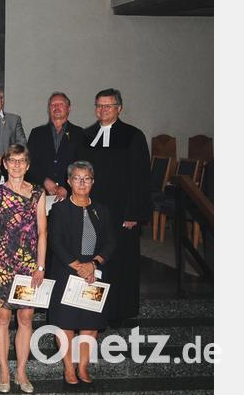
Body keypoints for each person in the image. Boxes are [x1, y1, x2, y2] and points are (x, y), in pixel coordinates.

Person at [76, 88, 150, 323]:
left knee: (120, 260)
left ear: (119, 108)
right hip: (93, 210)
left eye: (108, 106)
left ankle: (120, 310)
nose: (103, 110)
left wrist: (133, 212)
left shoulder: (133, 136)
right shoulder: (87, 135)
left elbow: (140, 177)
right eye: (99, 105)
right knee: (94, 256)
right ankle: (91, 308)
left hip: (122, 212)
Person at [46, 161, 116, 386]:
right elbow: (55, 241)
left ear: (93, 182)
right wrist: (79, 266)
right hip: (66, 271)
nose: (82, 182)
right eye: (77, 178)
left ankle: (83, 367)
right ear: (69, 181)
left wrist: (93, 265)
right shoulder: (60, 209)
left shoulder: (102, 210)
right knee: (65, 322)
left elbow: (111, 242)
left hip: (93, 274)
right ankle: (68, 369)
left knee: (90, 323)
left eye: (86, 178)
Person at [0, 144, 47, 394]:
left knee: (26, 317)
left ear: (28, 165)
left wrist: (40, 266)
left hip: (30, 264)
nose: (17, 165)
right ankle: (3, 370)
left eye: (22, 161)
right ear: (5, 163)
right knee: (2, 317)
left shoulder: (38, 193)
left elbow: (43, 232)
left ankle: (21, 370)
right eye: (13, 160)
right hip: (2, 262)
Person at [26, 92, 84, 201]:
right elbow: (29, 162)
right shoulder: (36, 133)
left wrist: (67, 187)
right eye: (53, 105)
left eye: (60, 104)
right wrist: (44, 180)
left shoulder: (79, 133)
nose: (56, 107)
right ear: (49, 109)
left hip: (70, 194)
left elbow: (82, 164)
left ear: (68, 108)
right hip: (41, 193)